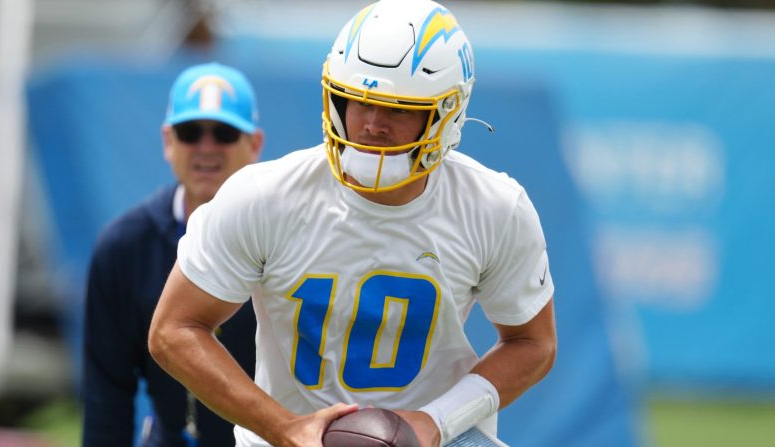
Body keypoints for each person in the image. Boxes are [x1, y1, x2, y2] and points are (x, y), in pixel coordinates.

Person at [149, 1, 557, 446]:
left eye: (398, 108)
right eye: (357, 101)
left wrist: (434, 422)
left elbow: (533, 343)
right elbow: (174, 330)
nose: (371, 125)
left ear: (447, 114)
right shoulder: (264, 197)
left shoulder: (494, 207)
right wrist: (282, 426)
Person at [83, 62, 263, 446]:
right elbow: (107, 394)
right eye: (190, 131)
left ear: (255, 145)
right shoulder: (125, 246)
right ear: (168, 141)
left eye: (225, 133)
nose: (206, 147)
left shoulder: (286, 236)